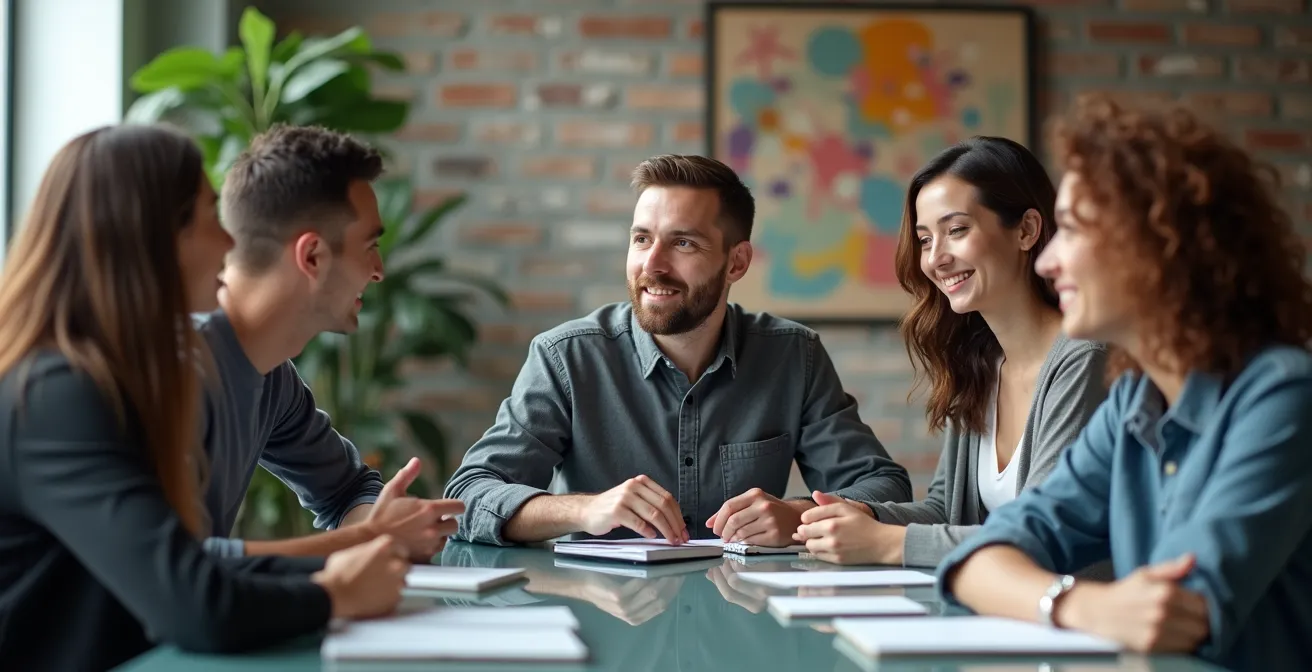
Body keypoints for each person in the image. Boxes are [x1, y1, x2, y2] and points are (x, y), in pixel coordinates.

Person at [0, 124, 409, 671]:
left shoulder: (107, 376)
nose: (228, 241)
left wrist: (357, 558)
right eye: (208, 214)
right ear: (149, 236)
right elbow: (193, 600)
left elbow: (185, 567)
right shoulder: (54, 394)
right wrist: (336, 592)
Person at [937, 95, 1312, 670]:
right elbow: (975, 560)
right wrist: (1081, 605)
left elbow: (1178, 615)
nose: (1046, 262)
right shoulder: (1136, 402)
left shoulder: (1283, 396)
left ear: (1159, 245)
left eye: (1072, 230)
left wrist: (1070, 601)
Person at [443, 154, 911, 548]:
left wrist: (800, 515)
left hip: (738, 630)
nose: (652, 264)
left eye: (683, 242)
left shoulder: (793, 357)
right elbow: (468, 497)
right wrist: (585, 509)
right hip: (606, 629)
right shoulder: (566, 358)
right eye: (642, 238)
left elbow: (885, 488)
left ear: (737, 262)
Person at [793, 137, 1108, 568]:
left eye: (956, 230)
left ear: (1027, 230)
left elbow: (1041, 531)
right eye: (925, 239)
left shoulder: (1083, 359)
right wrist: (858, 516)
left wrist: (887, 543)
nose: (935, 259)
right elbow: (945, 510)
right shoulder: (981, 364)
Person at [199, 123, 464, 560]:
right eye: (370, 245)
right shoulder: (171, 369)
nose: (379, 270)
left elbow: (345, 493)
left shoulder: (271, 375)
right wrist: (367, 536)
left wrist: (386, 526)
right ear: (312, 256)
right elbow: (174, 566)